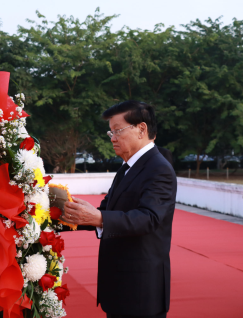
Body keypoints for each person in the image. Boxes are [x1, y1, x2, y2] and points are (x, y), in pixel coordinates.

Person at [63, 100, 177, 318]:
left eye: (117, 131)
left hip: (141, 288)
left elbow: (149, 218)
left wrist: (99, 218)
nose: (113, 138)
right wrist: (58, 216)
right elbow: (106, 210)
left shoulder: (159, 168)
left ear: (141, 129)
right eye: (110, 132)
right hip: (119, 284)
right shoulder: (127, 168)